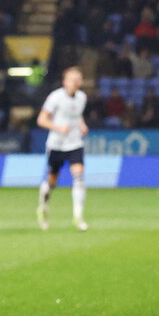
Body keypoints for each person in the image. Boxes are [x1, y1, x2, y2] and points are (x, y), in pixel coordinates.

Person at [36, 66, 90, 232]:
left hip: (74, 143)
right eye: (73, 78)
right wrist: (59, 128)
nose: (76, 81)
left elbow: (77, 113)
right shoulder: (55, 97)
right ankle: (43, 207)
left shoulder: (82, 97)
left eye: (78, 78)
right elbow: (41, 120)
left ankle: (78, 217)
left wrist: (81, 124)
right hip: (56, 145)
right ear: (65, 81)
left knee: (79, 177)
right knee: (52, 182)